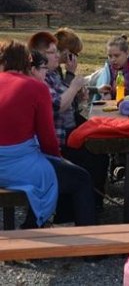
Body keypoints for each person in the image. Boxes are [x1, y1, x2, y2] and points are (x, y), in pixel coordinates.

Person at [0, 40, 95, 228]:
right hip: (18, 163)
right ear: (27, 61)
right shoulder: (35, 88)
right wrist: (59, 158)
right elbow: (47, 138)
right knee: (81, 178)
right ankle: (90, 250)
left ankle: (32, 227)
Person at [29, 31, 109, 212]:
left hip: (64, 133)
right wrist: (73, 84)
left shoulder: (53, 73)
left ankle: (88, 204)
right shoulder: (41, 76)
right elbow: (58, 106)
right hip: (58, 141)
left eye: (57, 51)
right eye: (52, 52)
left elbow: (66, 100)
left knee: (100, 151)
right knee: (94, 158)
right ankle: (79, 209)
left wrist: (78, 93)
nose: (57, 55)